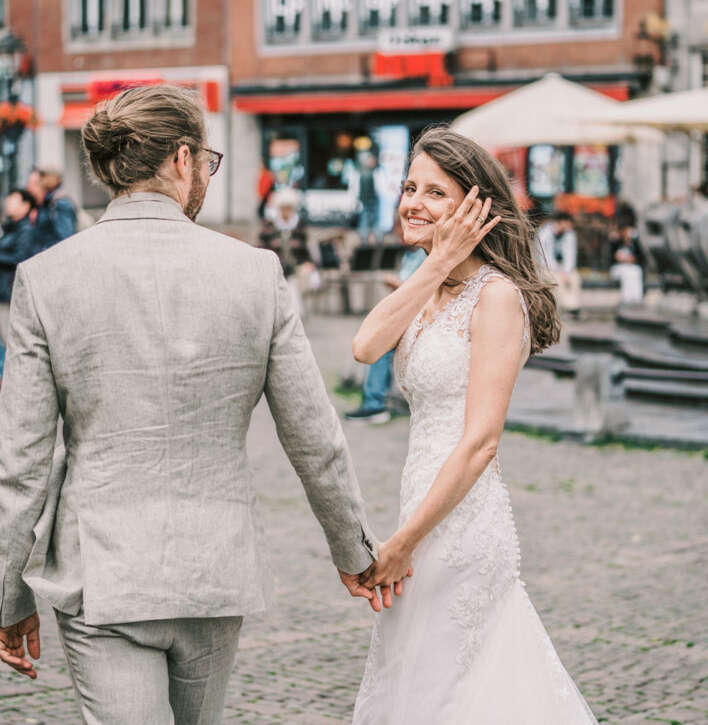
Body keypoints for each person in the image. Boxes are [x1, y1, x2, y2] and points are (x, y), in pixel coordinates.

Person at [0, 84, 387, 724]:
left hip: (103, 568)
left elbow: (21, 463)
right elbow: (314, 437)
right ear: (182, 159)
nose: (206, 173)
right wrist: (354, 551)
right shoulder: (256, 272)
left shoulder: (46, 278)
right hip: (215, 564)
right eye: (207, 160)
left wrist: (8, 594)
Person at [350, 127, 598, 724]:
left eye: (435, 193)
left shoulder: (496, 297)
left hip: (461, 522)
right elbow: (365, 346)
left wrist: (404, 543)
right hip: (419, 505)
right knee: (416, 683)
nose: (413, 203)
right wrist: (435, 263)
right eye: (410, 187)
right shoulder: (431, 288)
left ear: (474, 208)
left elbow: (482, 441)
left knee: (451, 689)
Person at [345, 220, 426, 424]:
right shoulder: (409, 255)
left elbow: (421, 291)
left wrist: (396, 283)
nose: (399, 235)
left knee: (381, 344)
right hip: (403, 314)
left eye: (400, 229)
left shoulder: (424, 255)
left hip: (418, 316)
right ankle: (375, 397)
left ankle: (375, 403)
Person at [258, 186, 320, 315]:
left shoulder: (299, 227)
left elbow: (306, 249)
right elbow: (261, 247)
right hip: (274, 268)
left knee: (295, 286)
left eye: (289, 208)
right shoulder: (270, 226)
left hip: (295, 268)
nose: (286, 211)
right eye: (284, 208)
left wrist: (309, 263)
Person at [0, 189, 37, 341]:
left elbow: (21, 258)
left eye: (13, 199)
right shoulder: (9, 229)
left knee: (10, 341)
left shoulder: (26, 231)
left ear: (25, 206)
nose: (8, 202)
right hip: (4, 293)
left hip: (11, 295)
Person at [537, 211, 581, 316]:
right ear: (560, 222)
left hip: (564, 268)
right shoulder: (544, 234)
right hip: (547, 267)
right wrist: (560, 271)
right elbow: (546, 258)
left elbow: (571, 255)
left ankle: (574, 305)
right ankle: (571, 307)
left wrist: (566, 271)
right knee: (558, 280)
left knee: (575, 278)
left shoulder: (569, 234)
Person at [29, 167, 78, 255]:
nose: (41, 179)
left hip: (52, 256)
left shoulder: (60, 202)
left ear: (56, 179)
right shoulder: (49, 200)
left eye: (44, 175)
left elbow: (66, 238)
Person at [610, 221, 644, 304]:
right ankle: (627, 299)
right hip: (618, 268)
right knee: (627, 273)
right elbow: (613, 257)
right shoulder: (616, 243)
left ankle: (637, 298)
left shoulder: (634, 244)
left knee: (636, 271)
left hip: (631, 267)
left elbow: (639, 257)